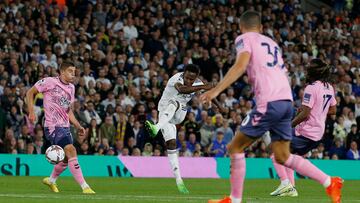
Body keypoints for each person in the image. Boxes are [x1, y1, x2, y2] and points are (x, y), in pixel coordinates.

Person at [200, 11, 343, 203]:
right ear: (260, 28)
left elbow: (240, 65)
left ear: (241, 27)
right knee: (283, 155)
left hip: (269, 101)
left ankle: (234, 199)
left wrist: (216, 91)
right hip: (286, 101)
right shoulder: (272, 44)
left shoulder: (244, 38)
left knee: (236, 146)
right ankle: (329, 182)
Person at [144, 64, 216, 194]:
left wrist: (214, 105)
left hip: (179, 113)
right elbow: (182, 89)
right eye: (187, 77)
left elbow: (206, 95)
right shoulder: (175, 79)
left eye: (191, 79)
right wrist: (203, 86)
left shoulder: (198, 83)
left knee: (175, 102)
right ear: (183, 74)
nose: (188, 81)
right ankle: (179, 181)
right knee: (171, 145)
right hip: (164, 114)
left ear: (196, 78)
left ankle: (156, 127)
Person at [270, 58, 337, 197]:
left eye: (308, 68)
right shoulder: (329, 87)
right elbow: (333, 110)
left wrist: (289, 126)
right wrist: (315, 110)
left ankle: (286, 184)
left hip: (307, 132)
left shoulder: (311, 88)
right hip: (317, 132)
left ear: (314, 72)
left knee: (276, 152)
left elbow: (305, 114)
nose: (306, 70)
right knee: (290, 156)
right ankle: (291, 188)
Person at [26, 62, 95, 194]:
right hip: (53, 126)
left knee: (66, 157)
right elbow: (30, 93)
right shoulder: (49, 82)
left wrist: (78, 125)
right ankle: (85, 187)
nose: (73, 74)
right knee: (71, 149)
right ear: (62, 72)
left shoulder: (71, 88)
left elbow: (67, 110)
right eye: (70, 71)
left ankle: (51, 180)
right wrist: (31, 111)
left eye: (74, 72)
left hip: (65, 127)